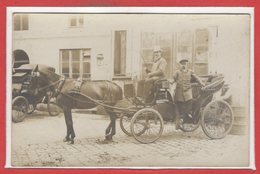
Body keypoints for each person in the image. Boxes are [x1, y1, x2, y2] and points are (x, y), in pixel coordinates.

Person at [173, 59, 205, 129]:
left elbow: (196, 78)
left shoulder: (190, 71)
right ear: (180, 65)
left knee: (189, 102)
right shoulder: (177, 72)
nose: (183, 65)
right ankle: (180, 119)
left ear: (187, 64)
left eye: (185, 64)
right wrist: (170, 82)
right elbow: (173, 79)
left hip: (187, 91)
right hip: (179, 92)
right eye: (182, 64)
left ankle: (186, 118)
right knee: (180, 105)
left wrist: (202, 83)